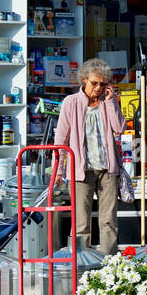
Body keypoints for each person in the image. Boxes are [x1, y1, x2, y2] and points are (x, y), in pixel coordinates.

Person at [54, 59, 125, 254]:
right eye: (94, 83)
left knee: (109, 221)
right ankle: (81, 265)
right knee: (80, 222)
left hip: (107, 169)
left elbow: (119, 129)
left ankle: (108, 265)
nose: (98, 88)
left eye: (102, 84)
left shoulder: (107, 101)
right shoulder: (71, 102)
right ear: (84, 80)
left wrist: (111, 102)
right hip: (80, 170)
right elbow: (61, 138)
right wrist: (58, 169)